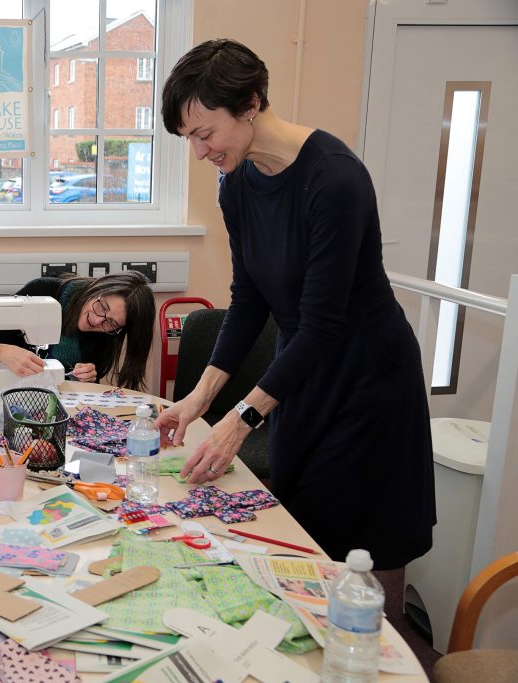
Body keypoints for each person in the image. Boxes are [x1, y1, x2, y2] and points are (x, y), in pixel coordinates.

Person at [155, 39, 435, 570]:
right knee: (297, 532)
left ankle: (377, 648)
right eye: (190, 139)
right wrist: (198, 398)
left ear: (252, 103)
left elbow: (323, 323)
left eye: (205, 133)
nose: (200, 151)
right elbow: (248, 302)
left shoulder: (335, 178)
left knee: (358, 552)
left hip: (365, 378)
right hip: (301, 375)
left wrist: (241, 419)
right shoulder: (236, 182)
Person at [0, 271, 155, 391]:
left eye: (110, 322)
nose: (96, 320)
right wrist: (0, 351)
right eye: (101, 306)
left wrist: (88, 378)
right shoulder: (42, 292)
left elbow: (83, 390)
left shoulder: (106, 336)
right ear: (97, 288)